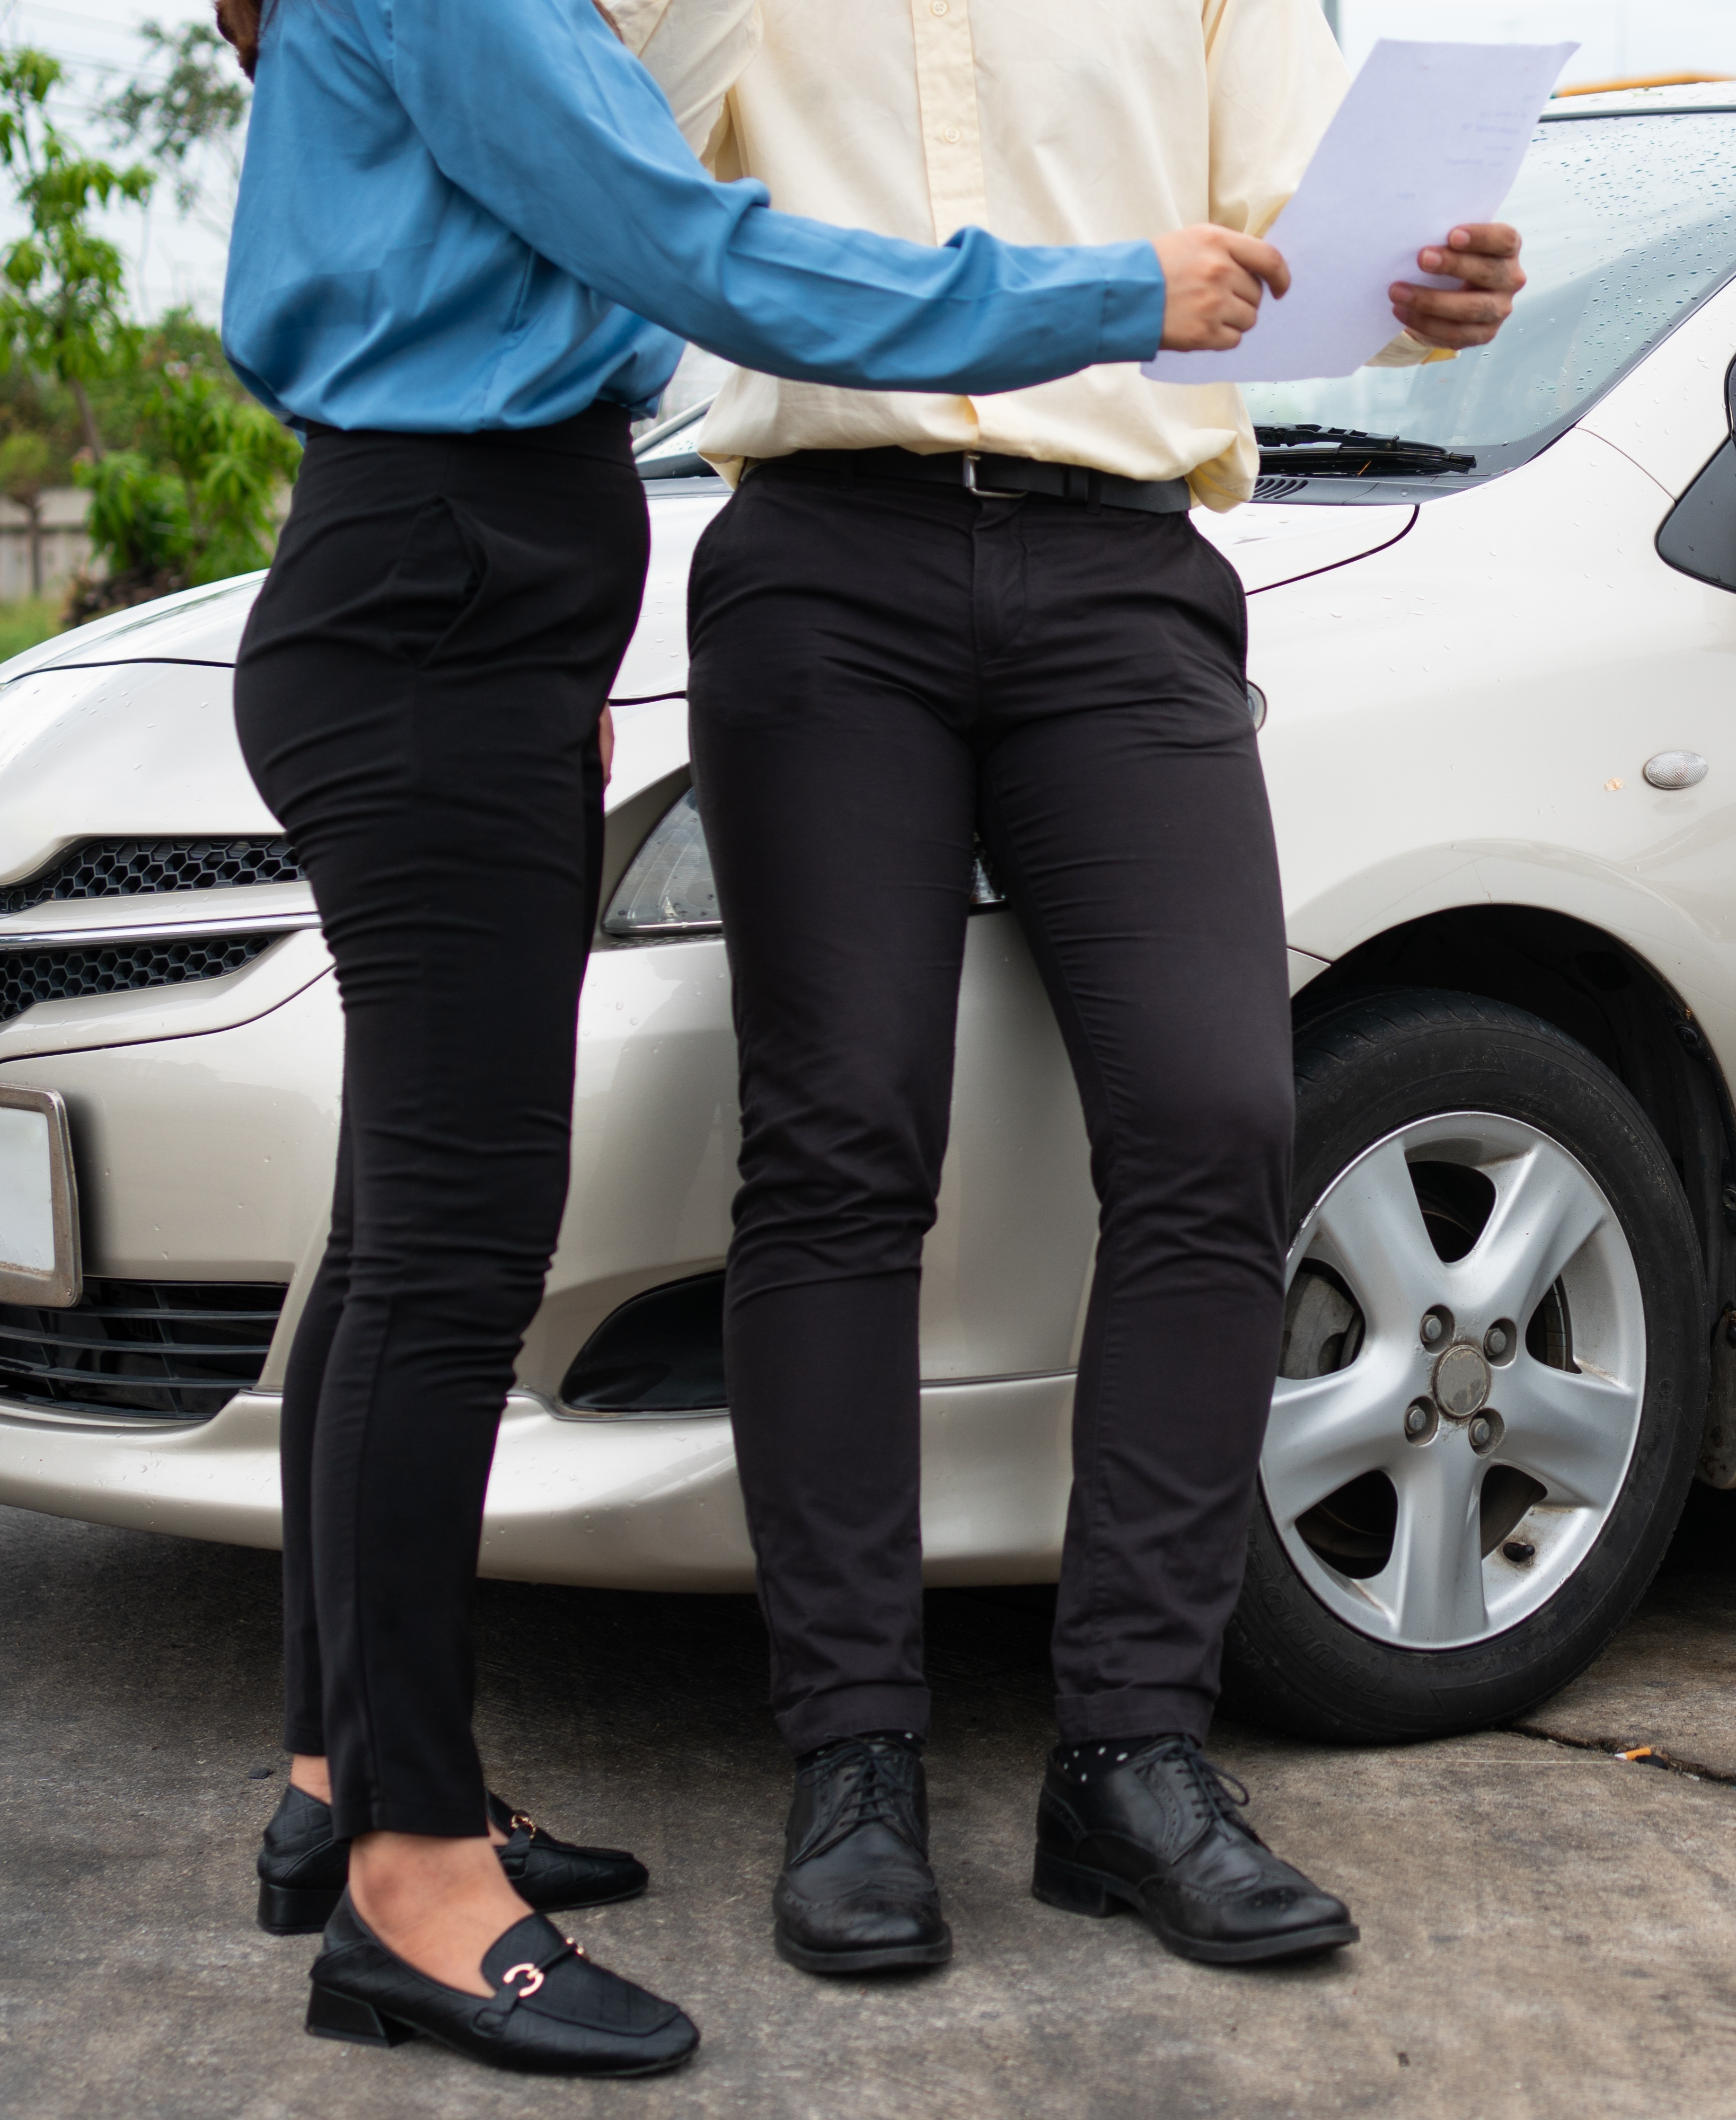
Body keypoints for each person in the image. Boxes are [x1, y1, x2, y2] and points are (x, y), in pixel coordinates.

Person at [212, 0, 1299, 2074]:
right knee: (449, 1262)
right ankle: (415, 1884)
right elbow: (703, 255)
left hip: (469, 587)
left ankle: (348, 1777)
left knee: (394, 1239)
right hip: (444, 594)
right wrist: (1108, 292)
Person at [605, 0, 1526, 1973]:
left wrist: (1420, 290)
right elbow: (644, 190)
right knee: (842, 1138)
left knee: (1217, 1115)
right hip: (823, 556)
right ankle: (852, 1757)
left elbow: (1286, 247)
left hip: (1121, 574)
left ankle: (1132, 1754)